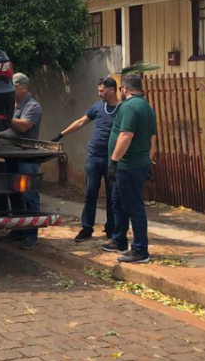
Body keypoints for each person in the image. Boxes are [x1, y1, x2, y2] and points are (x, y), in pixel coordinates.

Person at [51, 77, 119, 242]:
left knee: (112, 196)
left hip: (112, 159)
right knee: (90, 193)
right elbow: (81, 122)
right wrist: (61, 135)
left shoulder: (122, 109)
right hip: (94, 158)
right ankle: (86, 228)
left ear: (111, 89)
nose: (99, 93)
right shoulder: (97, 107)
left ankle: (111, 229)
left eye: (101, 90)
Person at [102, 74, 157, 264]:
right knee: (118, 202)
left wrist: (114, 161)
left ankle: (140, 250)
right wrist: (148, 161)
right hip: (136, 164)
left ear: (124, 89)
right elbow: (153, 140)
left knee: (134, 207)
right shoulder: (146, 107)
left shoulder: (129, 107)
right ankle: (119, 240)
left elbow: (125, 135)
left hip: (128, 166)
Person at [0, 72, 43, 250]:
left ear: (23, 87)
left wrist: (5, 117)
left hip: (26, 158)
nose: (11, 90)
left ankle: (32, 235)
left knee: (29, 196)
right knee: (14, 194)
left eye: (14, 87)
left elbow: (24, 126)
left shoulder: (33, 106)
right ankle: (18, 230)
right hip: (12, 156)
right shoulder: (12, 105)